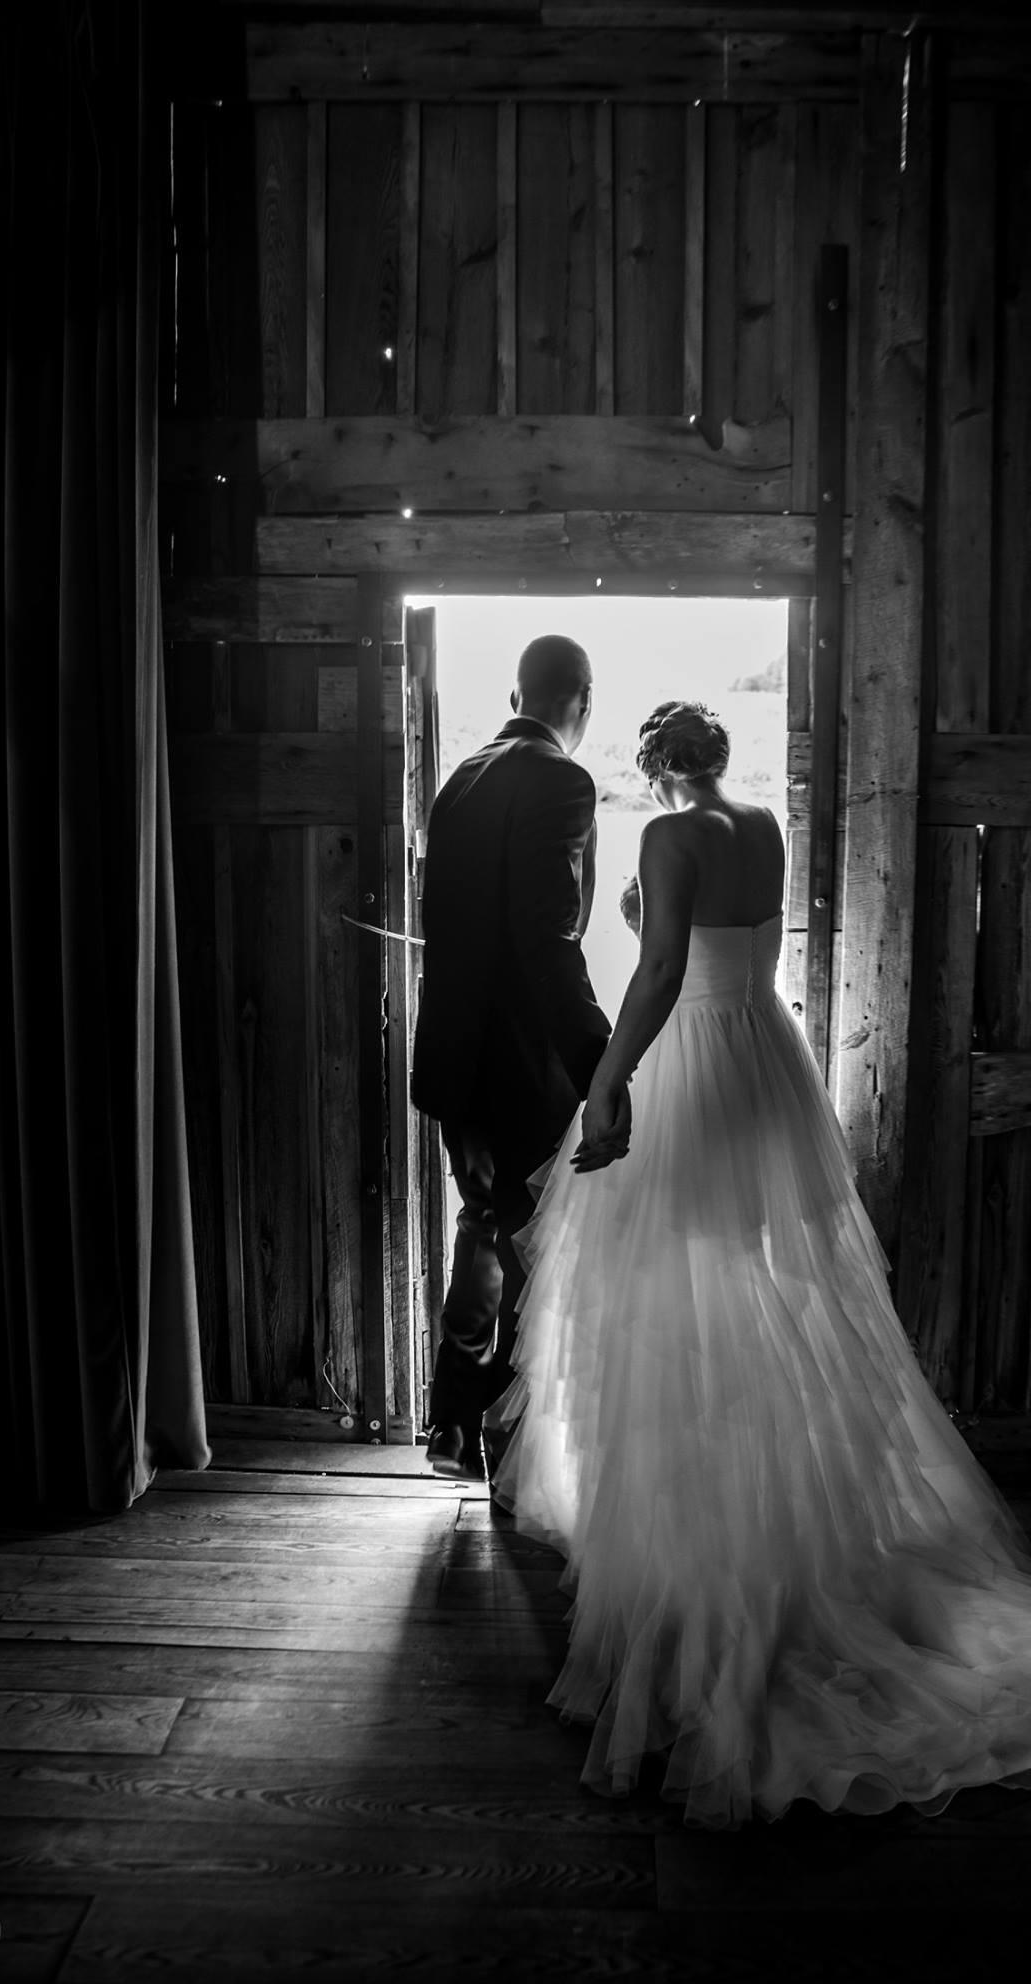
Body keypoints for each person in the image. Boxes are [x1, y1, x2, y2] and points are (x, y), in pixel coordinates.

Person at [486, 699, 1031, 1829]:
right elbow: (731, 946)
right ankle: (763, 1504)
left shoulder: (669, 833)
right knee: (761, 1289)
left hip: (695, 1064)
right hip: (765, 1055)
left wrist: (609, 1080)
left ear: (658, 765)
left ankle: (699, 1531)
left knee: (670, 1287)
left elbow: (660, 968)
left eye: (645, 764)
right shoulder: (760, 821)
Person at [411, 635, 628, 1483]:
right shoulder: (561, 780)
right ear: (581, 698)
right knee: (531, 1241)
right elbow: (547, 939)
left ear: (515, 693)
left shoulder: (460, 777)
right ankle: (507, 1445)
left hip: (455, 1059)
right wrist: (599, 1064)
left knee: (483, 1228)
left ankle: (455, 1426)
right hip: (518, 1062)